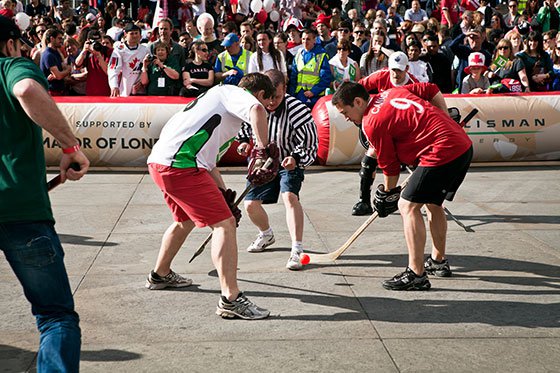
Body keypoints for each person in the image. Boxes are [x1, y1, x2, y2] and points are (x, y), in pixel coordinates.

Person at [145, 73, 278, 320]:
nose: (268, 108)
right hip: (180, 165)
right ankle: (231, 298)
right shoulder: (234, 93)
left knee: (184, 221)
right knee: (224, 225)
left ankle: (160, 274)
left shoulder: (217, 106)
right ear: (259, 93)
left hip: (163, 163)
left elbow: (209, 164)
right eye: (269, 101)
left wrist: (224, 195)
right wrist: (261, 151)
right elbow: (257, 109)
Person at [0, 15, 90, 372]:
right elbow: (26, 90)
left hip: (22, 203)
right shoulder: (12, 66)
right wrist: (70, 148)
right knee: (56, 316)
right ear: (10, 44)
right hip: (21, 210)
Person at [331, 81, 473, 290]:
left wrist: (388, 194)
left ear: (358, 101)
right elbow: (431, 88)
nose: (346, 118)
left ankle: (416, 274)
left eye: (345, 112)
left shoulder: (372, 122)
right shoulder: (391, 91)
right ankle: (438, 261)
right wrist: (445, 117)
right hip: (461, 146)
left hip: (441, 151)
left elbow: (390, 167)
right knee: (433, 203)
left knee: (407, 205)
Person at [236, 69, 318, 271]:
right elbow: (245, 129)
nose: (271, 102)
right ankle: (266, 234)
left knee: (290, 197)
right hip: (261, 161)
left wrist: (296, 158)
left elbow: (310, 143)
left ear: (285, 89)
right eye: (268, 97)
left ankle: (297, 249)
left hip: (288, 161)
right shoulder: (254, 106)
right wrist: (245, 143)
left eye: (277, 96)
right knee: (250, 205)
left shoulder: (297, 110)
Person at [351, 51, 418, 216]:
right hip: (381, 127)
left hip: (403, 131)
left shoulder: (414, 85)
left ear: (407, 69)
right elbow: (357, 89)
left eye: (400, 70)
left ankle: (416, 198)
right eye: (393, 70)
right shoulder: (381, 76)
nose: (395, 74)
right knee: (370, 157)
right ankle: (364, 201)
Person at [288, 28, 332, 108]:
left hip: (314, 97)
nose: (305, 41)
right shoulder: (298, 55)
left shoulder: (321, 55)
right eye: (303, 39)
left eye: (308, 39)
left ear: (314, 40)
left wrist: (313, 91)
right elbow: (293, 77)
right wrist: (292, 94)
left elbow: (326, 78)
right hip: (299, 95)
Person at [108, 23, 150, 97]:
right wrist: (114, 85)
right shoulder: (119, 50)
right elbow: (113, 68)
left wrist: (141, 82)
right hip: (125, 91)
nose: (134, 36)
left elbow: (149, 68)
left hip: (141, 91)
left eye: (136, 33)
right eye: (132, 33)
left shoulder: (145, 50)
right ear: (125, 34)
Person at [75, 29, 113, 96]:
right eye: (93, 42)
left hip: (106, 91)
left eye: (98, 41)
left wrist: (98, 55)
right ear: (88, 40)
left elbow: (108, 71)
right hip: (91, 91)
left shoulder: (108, 51)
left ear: (101, 40)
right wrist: (84, 51)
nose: (95, 44)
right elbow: (77, 66)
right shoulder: (87, 52)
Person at [40, 28, 71, 96]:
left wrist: (62, 72)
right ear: (52, 39)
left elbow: (62, 67)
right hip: (53, 92)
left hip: (60, 90)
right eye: (59, 38)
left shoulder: (56, 52)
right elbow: (59, 76)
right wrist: (68, 70)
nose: (61, 41)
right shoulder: (48, 55)